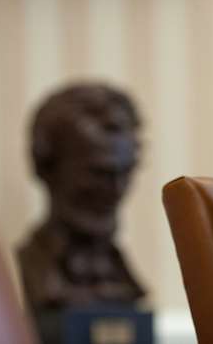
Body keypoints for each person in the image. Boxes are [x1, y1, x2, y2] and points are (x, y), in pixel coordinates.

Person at [18, 83, 145, 310]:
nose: (117, 191)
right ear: (48, 168)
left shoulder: (121, 275)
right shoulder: (28, 267)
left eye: (125, 173)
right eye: (99, 174)